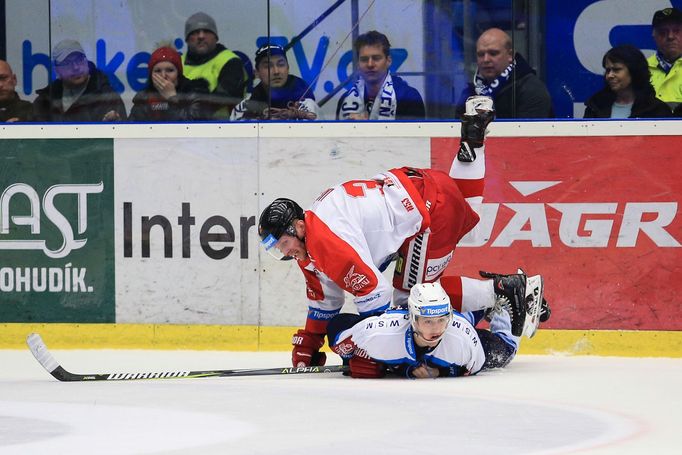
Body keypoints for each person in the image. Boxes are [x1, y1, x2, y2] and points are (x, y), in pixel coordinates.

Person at [258, 96, 551, 367]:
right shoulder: (312, 235)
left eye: (283, 243)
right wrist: (310, 342)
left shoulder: (324, 241)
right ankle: (472, 145)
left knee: (411, 299)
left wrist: (374, 352)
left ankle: (502, 292)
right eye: (277, 249)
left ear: (297, 226)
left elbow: (375, 294)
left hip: (428, 215)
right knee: (470, 225)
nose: (285, 252)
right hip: (422, 186)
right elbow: (325, 300)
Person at [327, 281, 532, 378]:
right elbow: (337, 327)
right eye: (427, 322)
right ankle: (483, 306)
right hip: (439, 325)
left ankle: (508, 304)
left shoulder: (463, 341)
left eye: (441, 320)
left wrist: (441, 371)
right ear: (413, 320)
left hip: (460, 327)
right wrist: (352, 357)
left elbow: (468, 369)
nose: (436, 329)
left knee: (503, 352)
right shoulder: (380, 332)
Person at [455, 28, 553, 119]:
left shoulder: (530, 89)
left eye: (493, 53)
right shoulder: (470, 93)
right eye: (481, 54)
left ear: (510, 55)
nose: (486, 60)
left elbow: (529, 135)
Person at [336, 30, 425, 120]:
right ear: (358, 64)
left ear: (388, 61)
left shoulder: (409, 97)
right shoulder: (345, 99)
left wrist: (364, 128)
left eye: (376, 58)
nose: (370, 64)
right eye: (364, 59)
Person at [33, 39, 126, 122]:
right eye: (67, 63)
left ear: (86, 61)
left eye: (79, 59)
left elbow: (121, 138)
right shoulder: (44, 102)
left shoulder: (108, 98)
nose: (76, 67)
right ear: (57, 70)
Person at [181, 11, 248, 118]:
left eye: (206, 31)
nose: (201, 36)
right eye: (195, 32)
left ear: (215, 37)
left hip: (222, 129)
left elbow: (221, 100)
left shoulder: (230, 62)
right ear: (187, 39)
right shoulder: (176, 63)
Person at [230, 44, 317, 121]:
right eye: (268, 66)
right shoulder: (243, 108)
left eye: (281, 64)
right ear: (257, 72)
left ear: (288, 68)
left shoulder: (307, 103)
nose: (276, 71)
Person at [584, 45, 672, 119]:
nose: (610, 75)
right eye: (608, 70)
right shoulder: (596, 106)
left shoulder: (656, 109)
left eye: (616, 69)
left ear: (634, 71)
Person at [129, 46, 211, 122]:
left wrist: (172, 98)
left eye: (169, 70)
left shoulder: (195, 93)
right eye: (157, 71)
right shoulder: (143, 98)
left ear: (178, 74)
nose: (163, 76)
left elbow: (195, 128)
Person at [648, 7, 682, 115]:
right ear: (654, 35)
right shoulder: (641, 69)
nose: (670, 36)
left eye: (676, 31)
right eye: (663, 32)